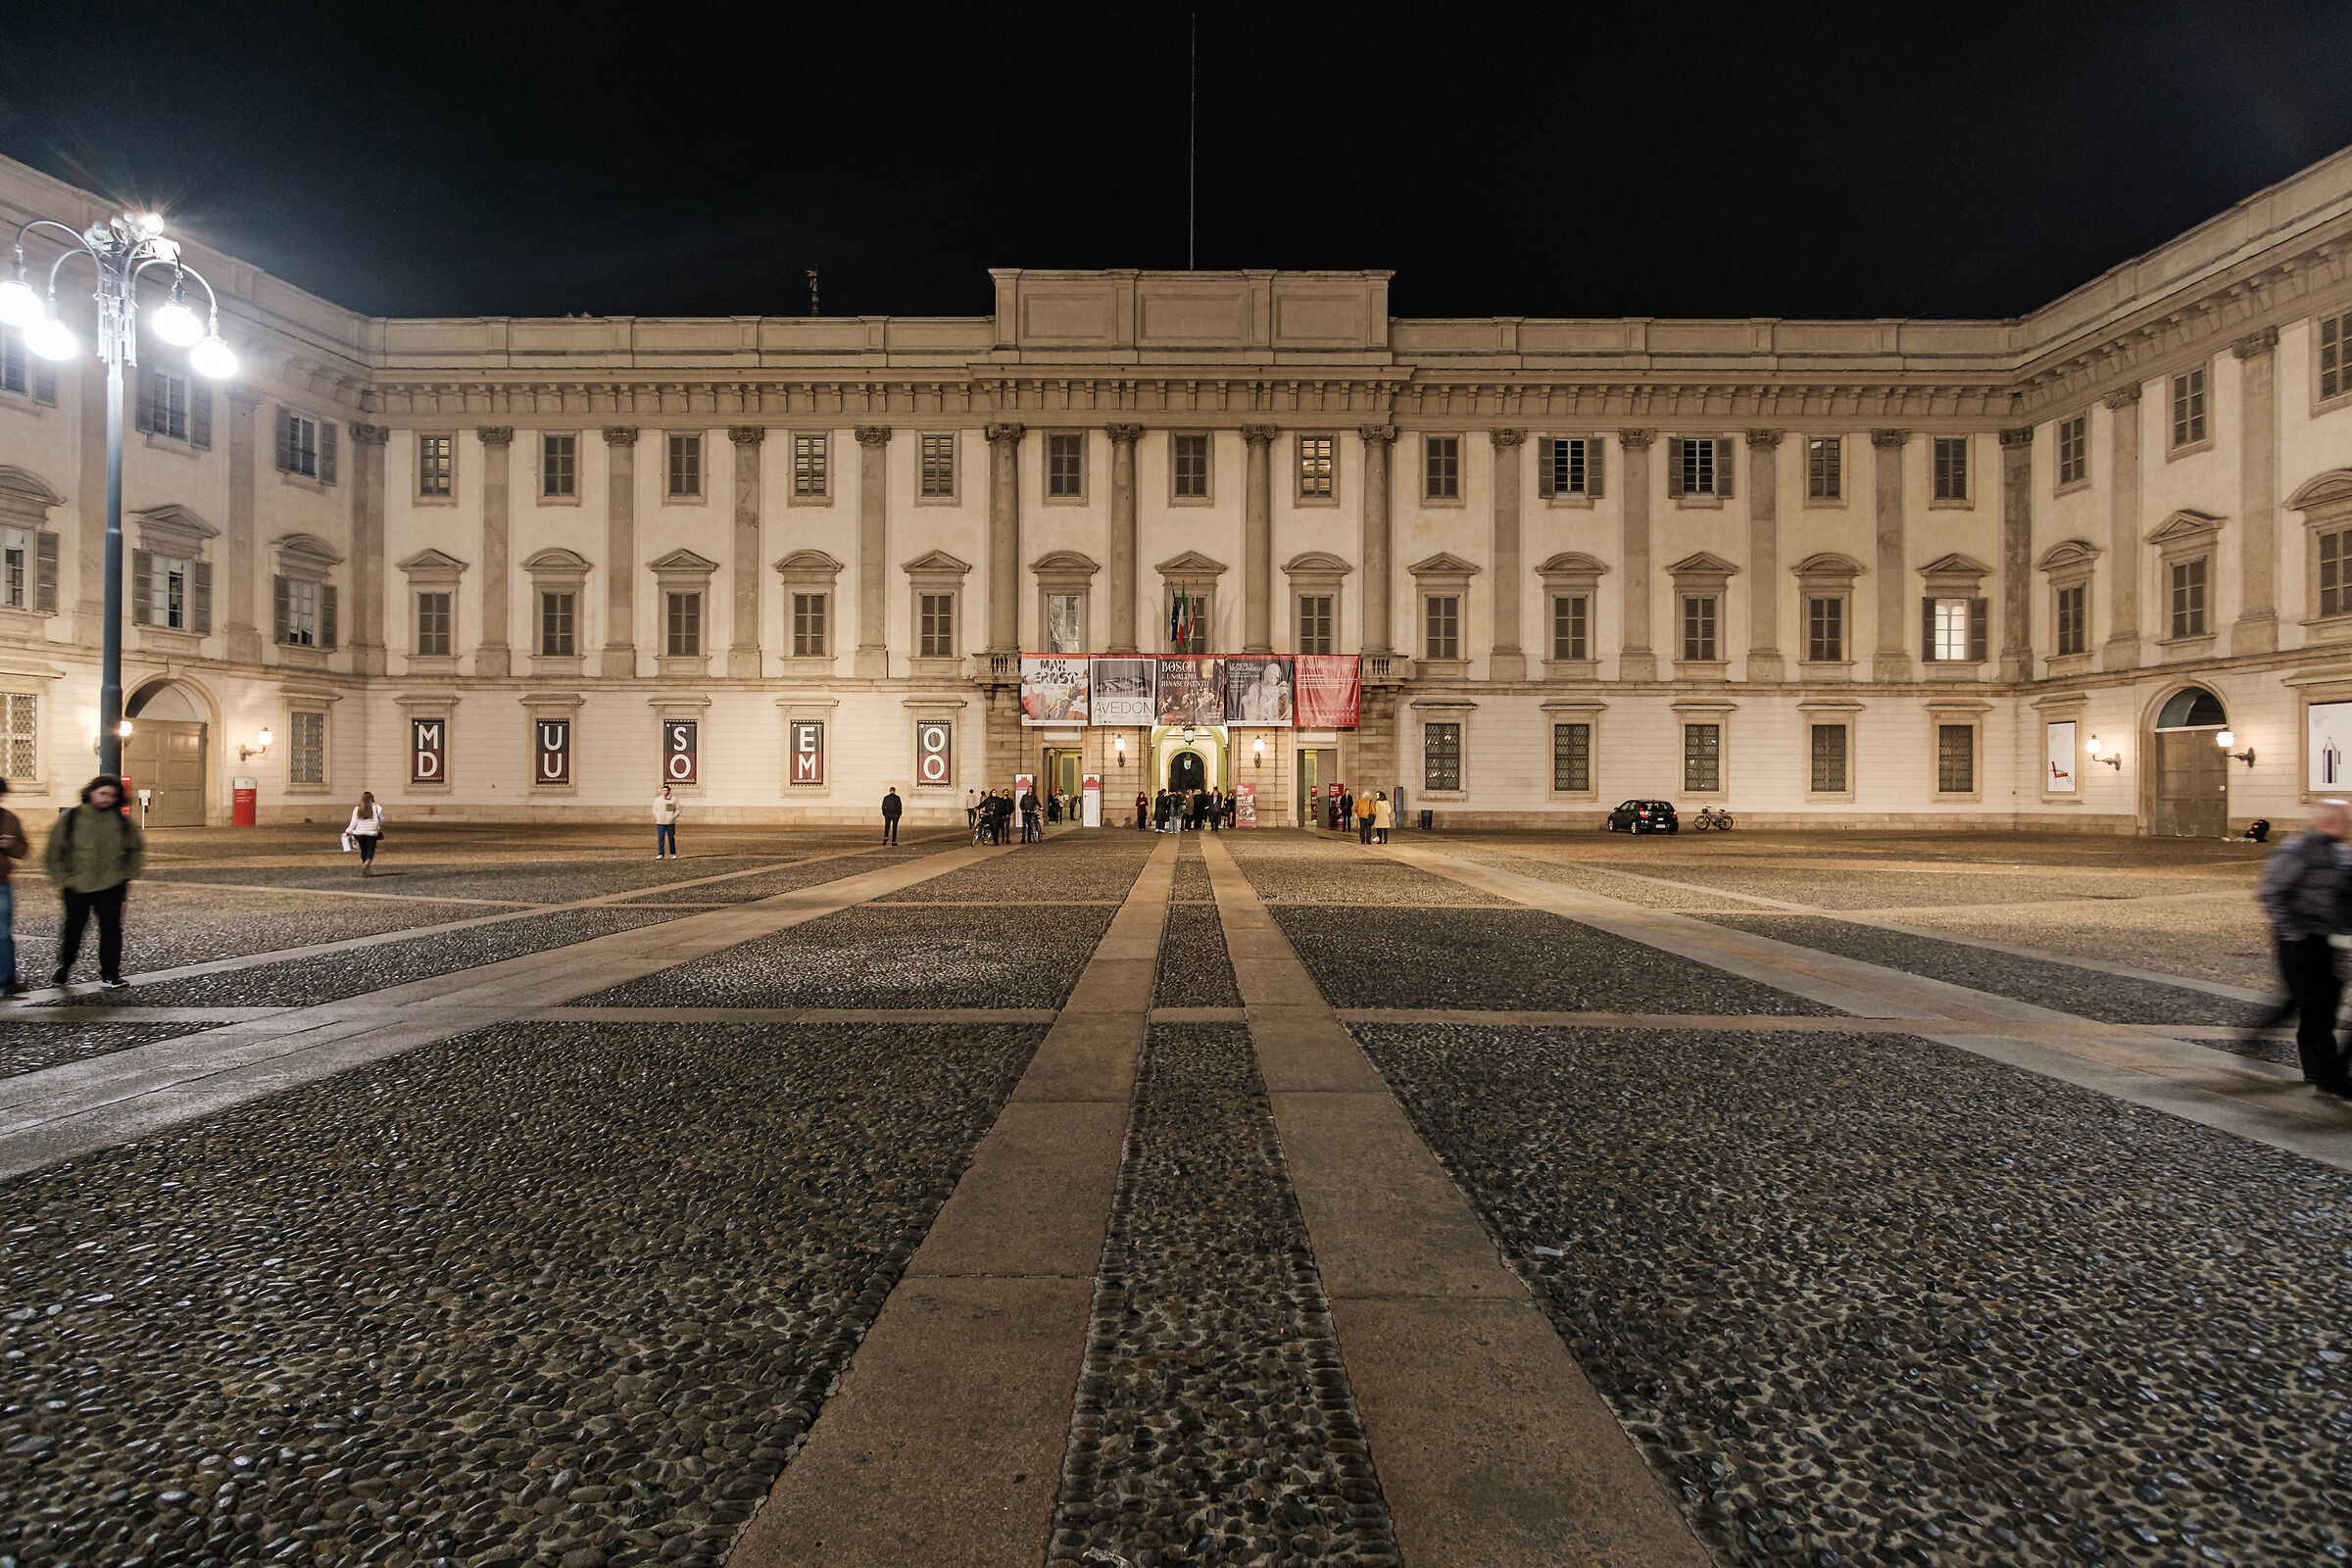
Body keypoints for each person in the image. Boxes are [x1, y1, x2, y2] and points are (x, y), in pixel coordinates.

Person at [2253, 798, 2352, 1095]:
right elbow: (2271, 894)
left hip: (2329, 939)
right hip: (2298, 939)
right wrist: (2294, 931)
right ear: (2328, 821)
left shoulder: (2340, 853)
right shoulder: (2296, 850)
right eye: (2345, 820)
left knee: (2325, 1004)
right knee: (2312, 1002)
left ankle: (2321, 1072)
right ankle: (2327, 1073)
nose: (2348, 825)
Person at [45, 775, 144, 991]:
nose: (107, 799)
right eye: (103, 793)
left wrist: (127, 873)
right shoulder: (72, 818)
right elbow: (54, 851)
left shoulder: (120, 821)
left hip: (112, 884)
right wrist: (63, 878)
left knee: (111, 930)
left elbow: (135, 848)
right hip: (77, 885)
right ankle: (64, 966)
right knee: (73, 929)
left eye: (112, 795)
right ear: (91, 792)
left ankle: (110, 973)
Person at [0, 779, 25, 996]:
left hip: (1, 883)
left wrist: (11, 845)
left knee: (3, 934)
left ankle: (7, 979)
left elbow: (22, 850)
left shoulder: (9, 819)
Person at [348, 791, 385, 875]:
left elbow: (353, 823)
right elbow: (381, 819)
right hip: (371, 833)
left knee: (363, 850)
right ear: (372, 799)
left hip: (359, 833)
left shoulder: (357, 809)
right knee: (370, 851)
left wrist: (348, 831)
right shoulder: (377, 808)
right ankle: (367, 864)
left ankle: (366, 869)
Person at [653, 785, 680, 858]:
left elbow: (678, 809)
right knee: (661, 839)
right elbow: (654, 809)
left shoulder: (674, 799)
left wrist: (673, 817)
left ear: (669, 791)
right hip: (660, 822)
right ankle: (661, 854)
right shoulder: (658, 799)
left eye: (665, 790)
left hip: (670, 823)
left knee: (671, 839)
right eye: (663, 790)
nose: (664, 792)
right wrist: (657, 817)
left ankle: (673, 853)